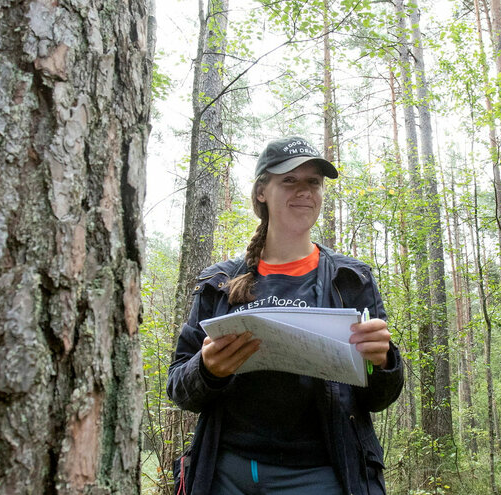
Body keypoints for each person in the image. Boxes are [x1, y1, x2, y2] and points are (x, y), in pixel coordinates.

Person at [167, 136, 404, 495]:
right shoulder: (219, 283)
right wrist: (207, 370)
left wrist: (384, 360)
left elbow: (379, 398)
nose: (304, 191)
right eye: (289, 180)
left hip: (323, 473)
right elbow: (178, 386)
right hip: (227, 473)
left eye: (314, 182)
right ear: (262, 190)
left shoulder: (351, 280)